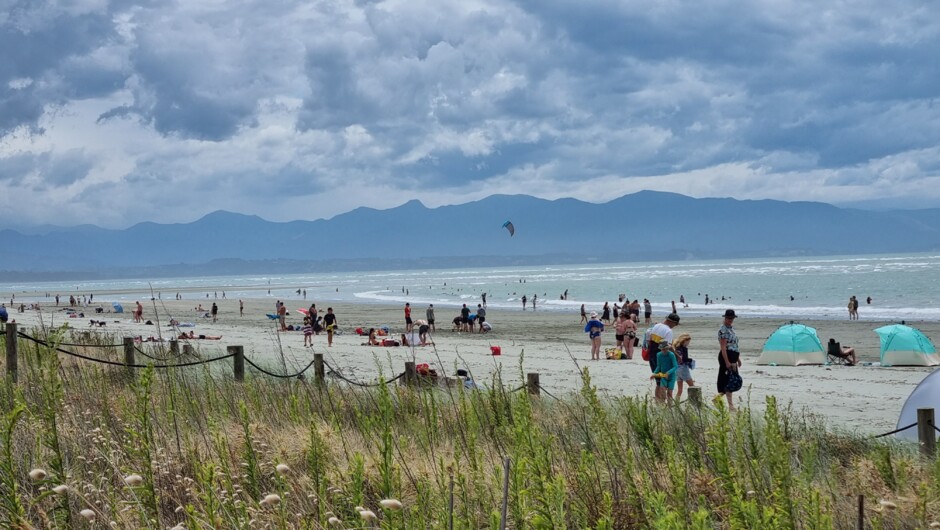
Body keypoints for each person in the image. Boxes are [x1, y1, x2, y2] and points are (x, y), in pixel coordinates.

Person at [717, 309, 742, 411]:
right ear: (725, 318)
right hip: (727, 356)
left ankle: (726, 402)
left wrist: (738, 359)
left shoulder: (731, 329)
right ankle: (730, 405)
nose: (730, 320)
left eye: (732, 318)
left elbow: (734, 345)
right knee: (728, 381)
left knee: (732, 380)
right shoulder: (723, 330)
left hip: (733, 356)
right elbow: (723, 347)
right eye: (728, 318)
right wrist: (727, 361)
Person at [673, 333, 695, 401]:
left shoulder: (676, 348)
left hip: (677, 369)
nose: (688, 343)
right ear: (684, 341)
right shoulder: (683, 348)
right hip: (683, 369)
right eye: (688, 342)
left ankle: (677, 403)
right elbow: (684, 359)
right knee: (693, 387)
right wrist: (691, 360)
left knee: (680, 390)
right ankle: (694, 401)